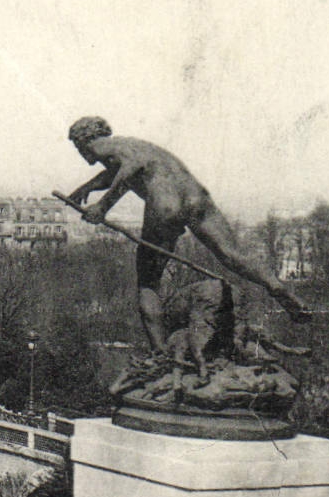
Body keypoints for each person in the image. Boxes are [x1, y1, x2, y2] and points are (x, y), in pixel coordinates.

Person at [65, 116, 309, 351]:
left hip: (165, 203)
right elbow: (122, 168)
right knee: (231, 254)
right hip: (195, 196)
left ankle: (160, 354)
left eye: (78, 147)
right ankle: (276, 287)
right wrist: (88, 187)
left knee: (148, 282)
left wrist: (103, 207)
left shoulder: (99, 146)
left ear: (82, 141)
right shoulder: (132, 144)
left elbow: (130, 167)